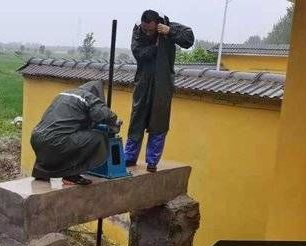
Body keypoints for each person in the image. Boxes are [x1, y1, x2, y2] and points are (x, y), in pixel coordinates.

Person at [125, 9, 194, 172]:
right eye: (145, 29)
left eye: (151, 29)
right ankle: (129, 157)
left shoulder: (169, 28)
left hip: (163, 85)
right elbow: (139, 53)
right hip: (143, 83)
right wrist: (155, 48)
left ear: (157, 24)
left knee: (159, 121)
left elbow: (189, 39)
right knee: (137, 119)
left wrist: (170, 32)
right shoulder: (138, 32)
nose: (147, 32)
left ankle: (152, 161)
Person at [31, 80, 122, 185]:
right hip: (57, 141)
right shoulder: (87, 97)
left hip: (36, 138)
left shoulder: (63, 94)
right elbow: (104, 114)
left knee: (55, 138)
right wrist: (115, 121)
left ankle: (41, 173)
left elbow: (68, 121)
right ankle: (71, 175)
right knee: (99, 138)